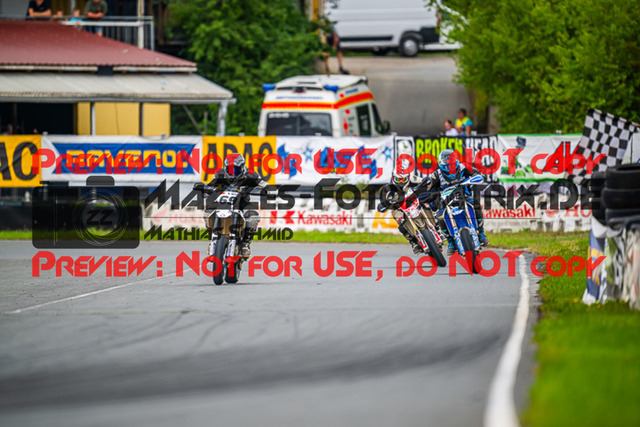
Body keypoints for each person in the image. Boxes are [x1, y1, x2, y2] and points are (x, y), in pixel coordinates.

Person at [418, 149, 489, 255]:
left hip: (464, 197)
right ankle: (451, 242)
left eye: (451, 165)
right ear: (441, 164)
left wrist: (477, 177)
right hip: (446, 202)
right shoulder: (436, 175)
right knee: (439, 217)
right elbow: (432, 190)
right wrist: (431, 197)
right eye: (447, 166)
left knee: (476, 205)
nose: (449, 168)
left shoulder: (463, 167)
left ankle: (481, 234)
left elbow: (478, 174)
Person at [198, 155, 263, 258]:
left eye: (236, 170)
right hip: (222, 202)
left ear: (242, 168)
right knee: (207, 213)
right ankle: (213, 239)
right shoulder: (219, 174)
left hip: (242, 203)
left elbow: (264, 184)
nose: (233, 173)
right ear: (225, 169)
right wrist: (204, 189)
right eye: (230, 170)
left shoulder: (252, 175)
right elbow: (211, 186)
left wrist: (269, 190)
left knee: (253, 217)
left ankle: (245, 243)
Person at [377, 168, 434, 254]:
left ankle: (437, 227)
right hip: (400, 208)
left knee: (427, 204)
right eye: (398, 180)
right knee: (400, 221)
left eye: (403, 180)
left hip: (413, 202)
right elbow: (382, 203)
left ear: (408, 178)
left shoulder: (413, 178)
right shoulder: (388, 189)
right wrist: (384, 205)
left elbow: (426, 182)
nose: (401, 182)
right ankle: (413, 241)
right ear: (393, 178)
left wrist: (425, 185)